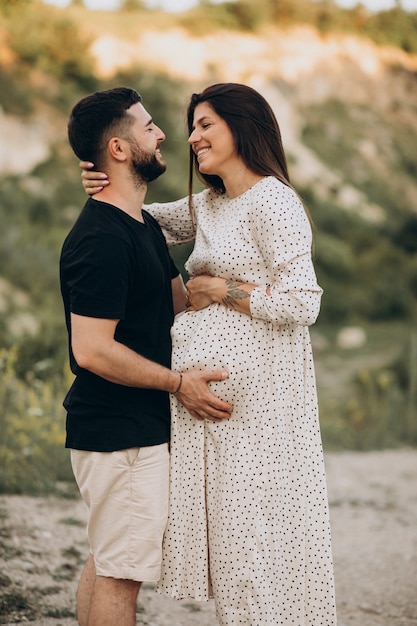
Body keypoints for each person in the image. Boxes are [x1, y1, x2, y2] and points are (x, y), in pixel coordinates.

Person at [81, 82, 337, 626]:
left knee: (257, 556)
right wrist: (101, 177)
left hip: (262, 415)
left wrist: (222, 292)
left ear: (242, 127)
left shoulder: (273, 200)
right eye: (192, 125)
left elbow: (303, 301)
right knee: (235, 557)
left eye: (205, 124)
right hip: (212, 421)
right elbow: (140, 217)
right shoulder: (210, 204)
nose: (192, 137)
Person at [61, 86, 233, 626]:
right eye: (149, 125)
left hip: (127, 429)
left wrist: (213, 290)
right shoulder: (102, 240)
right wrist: (179, 383)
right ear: (118, 148)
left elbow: (174, 305)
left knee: (110, 561)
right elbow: (91, 350)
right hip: (121, 433)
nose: (162, 134)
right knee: (121, 576)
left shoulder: (140, 227)